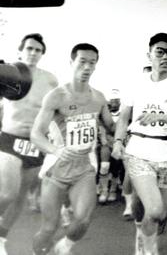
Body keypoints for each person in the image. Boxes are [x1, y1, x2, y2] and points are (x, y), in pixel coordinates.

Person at [112, 33, 167, 255]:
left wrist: (162, 118)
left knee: (158, 213)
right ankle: (148, 247)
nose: (165, 56)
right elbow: (123, 117)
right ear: (149, 55)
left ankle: (142, 231)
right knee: (156, 209)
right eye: (160, 51)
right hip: (139, 149)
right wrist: (118, 141)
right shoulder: (135, 83)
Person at [30, 43, 114, 254]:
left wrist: (133, 126)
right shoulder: (57, 96)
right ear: (71, 62)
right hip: (56, 167)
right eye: (82, 62)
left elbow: (111, 126)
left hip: (83, 167)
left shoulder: (99, 98)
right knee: (49, 227)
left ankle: (64, 246)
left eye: (92, 63)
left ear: (96, 66)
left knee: (84, 220)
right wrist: (55, 150)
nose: (87, 67)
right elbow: (36, 134)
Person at [0, 33, 58, 254]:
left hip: (35, 142)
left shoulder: (50, 79)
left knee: (21, 197)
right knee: (7, 193)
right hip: (9, 137)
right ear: (20, 50)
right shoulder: (7, 73)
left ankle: (1, 238)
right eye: (29, 48)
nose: (33, 53)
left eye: (38, 50)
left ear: (42, 54)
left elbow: (54, 111)